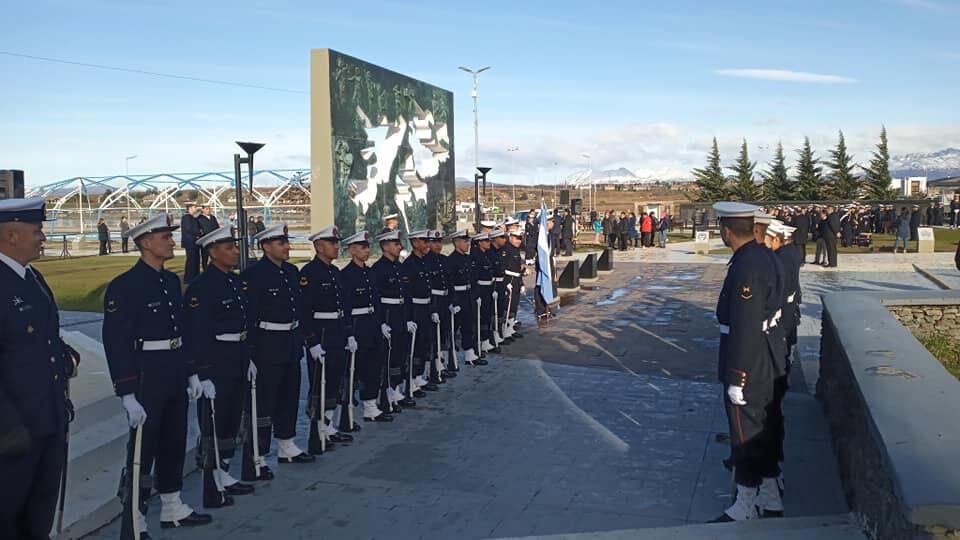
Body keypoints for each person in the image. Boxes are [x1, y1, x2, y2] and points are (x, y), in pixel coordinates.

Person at [102, 214, 212, 538]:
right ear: (146, 242)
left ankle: (172, 504)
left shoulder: (169, 282)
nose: (171, 241)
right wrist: (126, 393)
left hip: (174, 369)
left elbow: (183, 330)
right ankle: (135, 517)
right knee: (142, 449)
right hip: (146, 373)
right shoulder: (124, 286)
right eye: (165, 237)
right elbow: (116, 341)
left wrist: (191, 372)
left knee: (173, 441)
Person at [0, 197, 79, 539]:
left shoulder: (33, 278)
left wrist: (65, 357)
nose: (44, 237)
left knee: (39, 514)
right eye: (37, 230)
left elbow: (43, 339)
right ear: (11, 235)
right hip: (14, 430)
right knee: (7, 515)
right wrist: (7, 426)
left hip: (47, 419)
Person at [709, 202, 781, 522]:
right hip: (762, 354)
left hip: (748, 360)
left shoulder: (748, 265)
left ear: (726, 231)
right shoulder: (759, 255)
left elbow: (746, 324)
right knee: (759, 430)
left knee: (745, 433)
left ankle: (745, 504)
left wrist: (737, 376)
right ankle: (770, 497)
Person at [181, 225, 256, 509]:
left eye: (235, 246)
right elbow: (197, 333)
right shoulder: (203, 286)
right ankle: (212, 476)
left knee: (231, 418)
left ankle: (222, 468)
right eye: (228, 247)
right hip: (217, 360)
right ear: (212, 252)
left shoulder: (235, 283)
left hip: (236, 356)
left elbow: (243, 323)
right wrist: (202, 373)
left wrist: (247, 356)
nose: (235, 251)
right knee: (214, 419)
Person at [241, 223, 315, 465]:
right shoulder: (253, 276)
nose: (287, 247)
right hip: (267, 344)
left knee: (289, 395)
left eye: (287, 242)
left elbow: (300, 310)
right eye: (281, 243)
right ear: (265, 246)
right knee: (264, 400)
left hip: (290, 342)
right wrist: (250, 353)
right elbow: (249, 317)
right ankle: (259, 452)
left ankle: (286, 443)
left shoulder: (291, 272)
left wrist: (308, 340)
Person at [299, 225, 355, 448]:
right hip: (321, 334)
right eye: (332, 243)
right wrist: (311, 341)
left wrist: (348, 333)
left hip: (337, 331)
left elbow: (344, 306)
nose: (336, 246)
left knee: (334, 380)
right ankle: (317, 427)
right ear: (319, 247)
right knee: (319, 383)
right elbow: (304, 311)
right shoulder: (309, 274)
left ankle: (328, 425)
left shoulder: (335, 273)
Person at [339, 231, 394, 423]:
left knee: (373, 365)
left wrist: (380, 324)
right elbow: (344, 307)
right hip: (357, 325)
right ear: (352, 250)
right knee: (354, 369)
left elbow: (376, 301)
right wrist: (348, 333)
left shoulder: (369, 272)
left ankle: (370, 405)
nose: (367, 250)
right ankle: (347, 408)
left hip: (371, 323)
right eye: (362, 247)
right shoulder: (345, 275)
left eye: (367, 247)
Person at [372, 228, 419, 413]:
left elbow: (405, 296)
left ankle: (395, 389)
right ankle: (382, 393)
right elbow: (376, 299)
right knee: (386, 357)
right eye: (395, 244)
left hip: (399, 314)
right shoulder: (378, 269)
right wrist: (381, 322)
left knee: (399, 353)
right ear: (385, 246)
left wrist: (407, 318)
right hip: (388, 315)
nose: (399, 247)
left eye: (399, 243)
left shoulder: (400, 267)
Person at [402, 230, 441, 398]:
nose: (427, 244)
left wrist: (432, 310)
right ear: (415, 242)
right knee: (414, 345)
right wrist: (409, 317)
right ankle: (411, 380)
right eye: (424, 241)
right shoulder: (409, 264)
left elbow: (428, 289)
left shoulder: (424, 262)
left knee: (424, 342)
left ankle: (419, 376)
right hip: (415, 309)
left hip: (425, 308)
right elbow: (408, 294)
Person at [446, 230, 484, 366]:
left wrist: (476, 296)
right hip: (458, 297)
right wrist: (453, 302)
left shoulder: (467, 259)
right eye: (465, 241)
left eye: (468, 241)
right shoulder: (451, 261)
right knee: (452, 328)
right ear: (456, 242)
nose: (468, 243)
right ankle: (447, 357)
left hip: (468, 296)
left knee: (469, 325)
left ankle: (470, 354)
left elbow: (472, 280)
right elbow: (450, 284)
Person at [428, 230, 458, 379]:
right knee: (434, 336)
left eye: (439, 242)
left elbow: (450, 283)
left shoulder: (444, 260)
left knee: (444, 333)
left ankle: (442, 364)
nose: (438, 245)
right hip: (434, 301)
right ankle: (433, 367)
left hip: (445, 300)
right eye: (434, 242)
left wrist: (453, 301)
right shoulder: (426, 261)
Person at [470, 232, 496, 355]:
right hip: (481, 290)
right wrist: (477, 295)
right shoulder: (476, 256)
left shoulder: (485, 255)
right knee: (479, 318)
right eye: (486, 241)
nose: (488, 243)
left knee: (486, 315)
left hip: (488, 289)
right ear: (480, 242)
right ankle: (478, 342)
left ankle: (485, 340)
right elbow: (474, 278)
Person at [502, 228, 526, 340]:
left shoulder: (516, 250)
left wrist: (521, 283)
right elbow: (503, 268)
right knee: (507, 306)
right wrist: (506, 282)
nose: (519, 241)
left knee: (514, 306)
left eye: (520, 239)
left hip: (516, 280)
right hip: (509, 280)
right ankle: (505, 330)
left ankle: (511, 329)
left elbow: (517, 269)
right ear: (510, 237)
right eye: (516, 238)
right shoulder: (506, 249)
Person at [181, 204, 202, 283]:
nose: (196, 208)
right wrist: (199, 233)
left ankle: (195, 276)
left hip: (194, 242)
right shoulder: (186, 217)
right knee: (191, 260)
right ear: (189, 208)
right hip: (190, 242)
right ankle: (189, 278)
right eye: (194, 207)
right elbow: (189, 228)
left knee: (195, 260)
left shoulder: (192, 218)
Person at [197, 205, 220, 271]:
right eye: (207, 209)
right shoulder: (199, 218)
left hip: (214, 240)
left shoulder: (213, 218)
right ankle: (205, 270)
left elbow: (217, 227)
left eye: (209, 209)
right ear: (203, 210)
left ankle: (215, 269)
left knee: (215, 256)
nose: (208, 210)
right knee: (205, 257)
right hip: (205, 240)